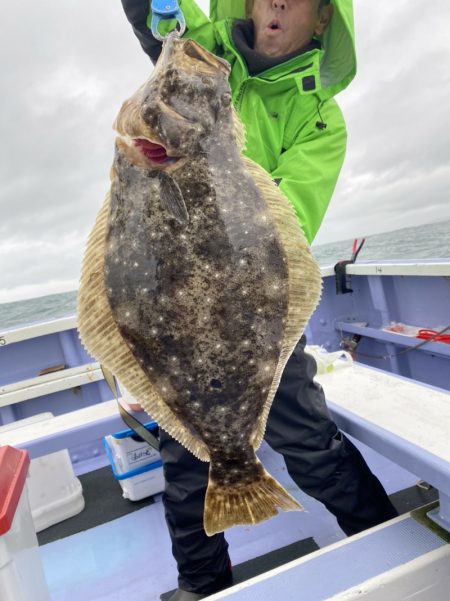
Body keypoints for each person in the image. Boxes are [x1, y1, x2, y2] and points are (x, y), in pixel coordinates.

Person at [120, 1, 398, 599]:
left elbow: (288, 222)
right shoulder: (204, 57)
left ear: (324, 19)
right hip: (179, 309)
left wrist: (199, 172)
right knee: (185, 459)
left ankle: (387, 542)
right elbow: (157, 24)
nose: (276, 3)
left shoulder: (320, 120)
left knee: (308, 438)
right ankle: (203, 587)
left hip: (258, 310)